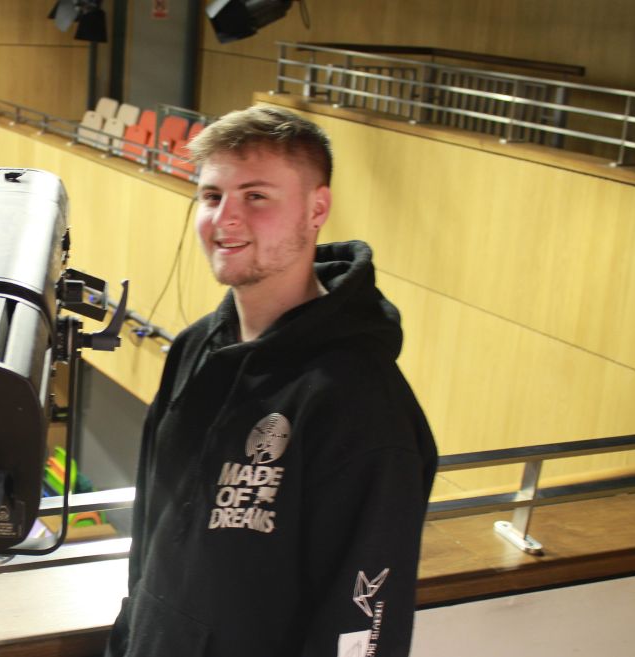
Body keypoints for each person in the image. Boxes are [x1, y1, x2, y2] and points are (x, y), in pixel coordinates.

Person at [105, 106, 438, 657]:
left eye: (256, 196)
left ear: (317, 209)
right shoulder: (192, 348)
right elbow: (150, 545)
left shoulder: (360, 403)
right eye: (212, 197)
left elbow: (358, 628)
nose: (224, 218)